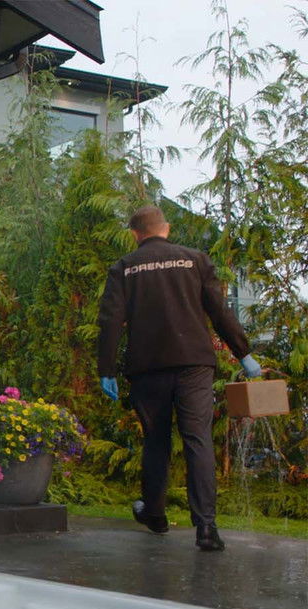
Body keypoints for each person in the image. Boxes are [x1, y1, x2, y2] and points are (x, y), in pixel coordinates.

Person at [96, 205, 260, 552]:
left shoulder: (124, 267)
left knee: (156, 440)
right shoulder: (195, 260)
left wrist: (106, 370)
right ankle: (206, 528)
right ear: (166, 229)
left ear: (135, 234)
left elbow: (110, 320)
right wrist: (243, 352)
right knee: (197, 438)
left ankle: (155, 514)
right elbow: (219, 310)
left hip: (147, 367)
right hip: (194, 365)